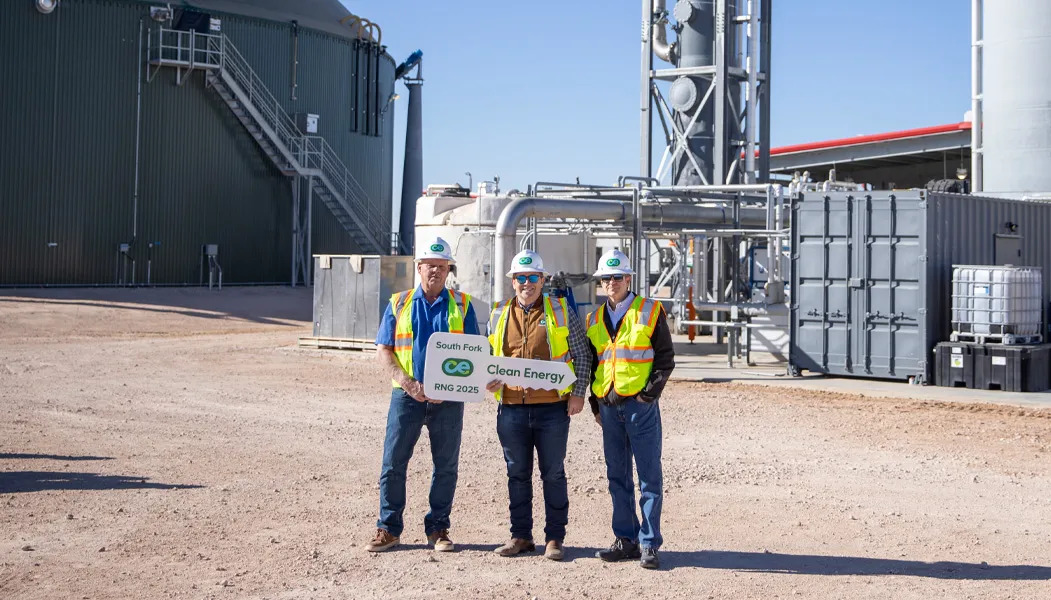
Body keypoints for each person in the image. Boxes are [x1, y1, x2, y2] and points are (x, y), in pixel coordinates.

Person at [367, 236, 480, 553]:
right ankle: (388, 529)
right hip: (407, 397)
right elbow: (383, 350)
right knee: (393, 463)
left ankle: (438, 529)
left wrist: (452, 387)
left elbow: (473, 355)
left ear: (449, 270)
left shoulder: (462, 305)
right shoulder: (399, 303)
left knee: (445, 466)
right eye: (431, 265)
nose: (436, 271)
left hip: (448, 402)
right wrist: (407, 382)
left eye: (443, 267)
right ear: (419, 267)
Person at [484, 249, 593, 561]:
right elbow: (488, 359)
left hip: (552, 409)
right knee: (517, 474)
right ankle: (520, 536)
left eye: (533, 277)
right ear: (513, 281)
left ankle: (554, 538)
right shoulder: (498, 312)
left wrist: (578, 392)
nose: (526, 283)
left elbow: (582, 354)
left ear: (543, 280)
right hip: (511, 408)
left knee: (553, 473)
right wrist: (488, 379)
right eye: (521, 277)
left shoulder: (560, 310)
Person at [585, 248, 675, 570]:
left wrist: (647, 397)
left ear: (629, 278)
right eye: (606, 278)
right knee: (617, 477)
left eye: (618, 277)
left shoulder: (650, 311)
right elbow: (595, 363)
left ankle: (649, 543)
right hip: (608, 409)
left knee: (649, 476)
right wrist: (595, 405)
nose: (612, 283)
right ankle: (626, 539)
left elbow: (665, 360)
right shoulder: (594, 318)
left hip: (640, 408)